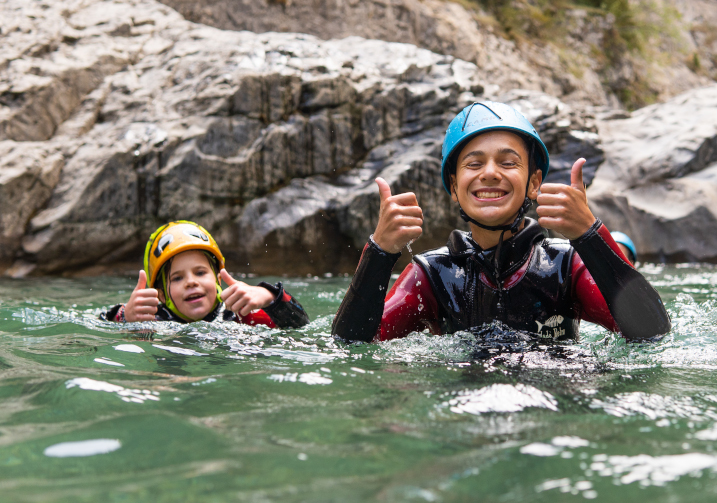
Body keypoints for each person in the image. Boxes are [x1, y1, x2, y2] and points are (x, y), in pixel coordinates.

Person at [331, 101, 671, 343]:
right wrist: (380, 251)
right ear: (454, 187)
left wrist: (589, 233)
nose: (490, 173)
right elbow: (354, 346)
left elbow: (651, 332)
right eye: (474, 164)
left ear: (534, 183)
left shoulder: (565, 264)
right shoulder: (431, 274)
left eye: (508, 163)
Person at [102, 221, 310, 327]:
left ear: (218, 279)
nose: (191, 282)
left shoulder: (237, 314)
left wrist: (268, 296)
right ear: (161, 295)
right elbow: (104, 321)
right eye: (177, 278)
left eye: (200, 273)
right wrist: (127, 316)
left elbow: (299, 325)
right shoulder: (154, 319)